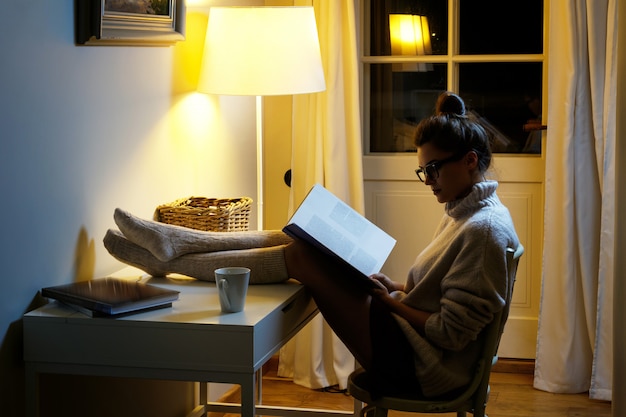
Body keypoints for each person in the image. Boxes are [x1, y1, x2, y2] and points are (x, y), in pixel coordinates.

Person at [103, 91, 520, 399]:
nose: (428, 180)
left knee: (302, 254)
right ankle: (177, 243)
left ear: (469, 161)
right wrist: (395, 288)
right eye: (422, 171)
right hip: (409, 341)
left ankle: (173, 253)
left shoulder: (482, 231)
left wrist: (388, 300)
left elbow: (449, 333)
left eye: (433, 170)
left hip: (423, 367)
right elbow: (439, 298)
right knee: (300, 235)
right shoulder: (465, 212)